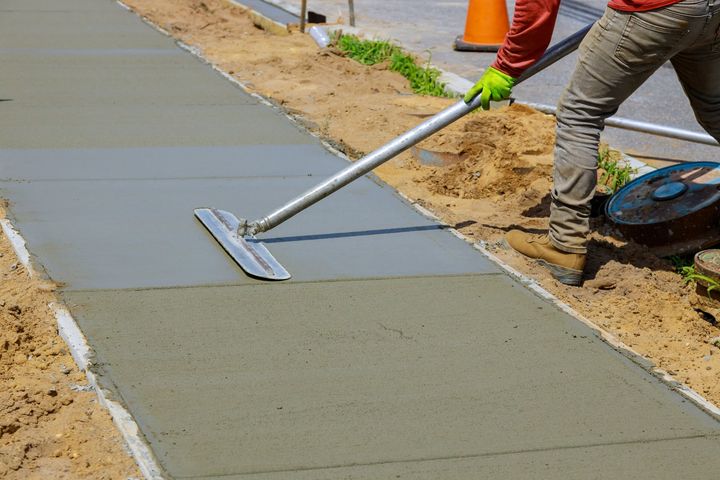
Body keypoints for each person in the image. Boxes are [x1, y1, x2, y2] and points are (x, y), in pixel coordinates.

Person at [464, 0, 720, 286]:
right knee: (716, 109)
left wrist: (508, 64)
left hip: (655, 9)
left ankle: (564, 245)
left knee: (579, 113)